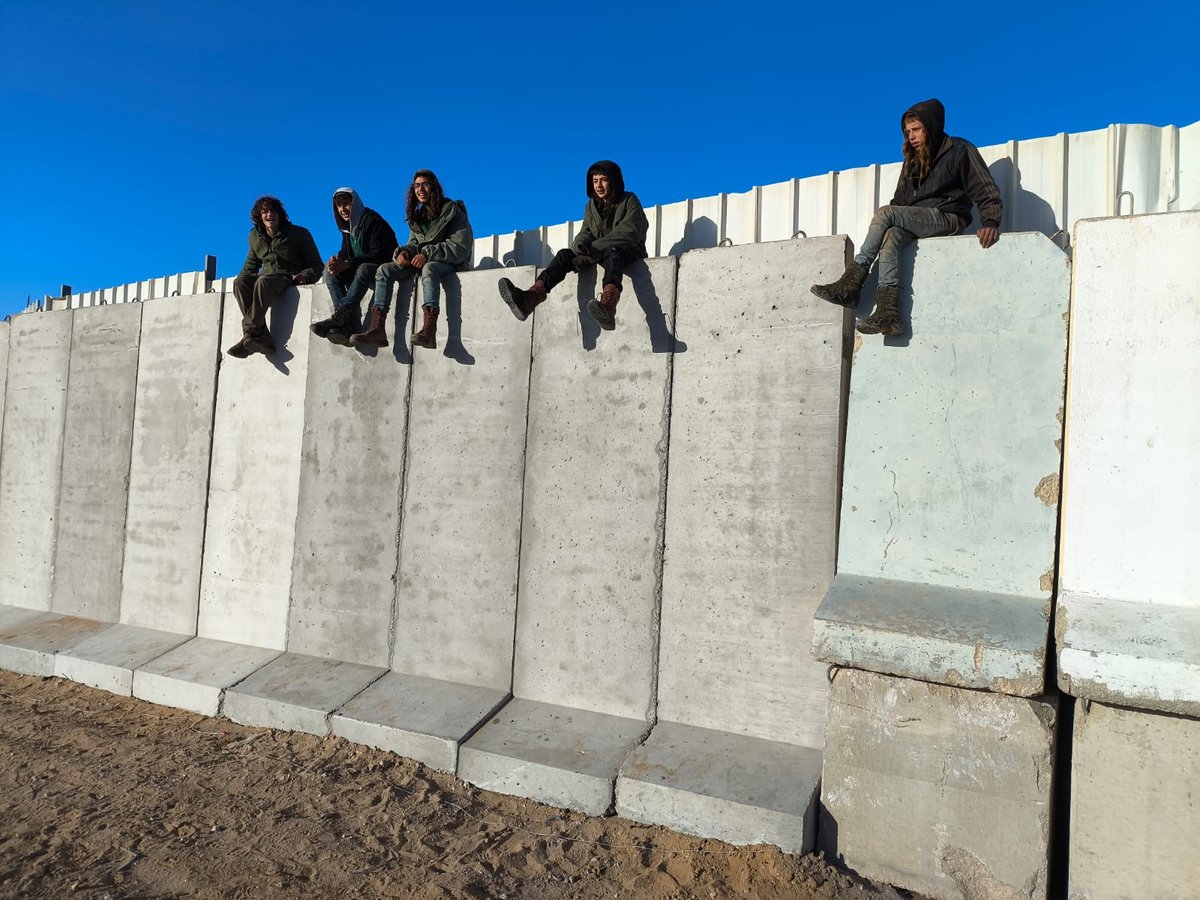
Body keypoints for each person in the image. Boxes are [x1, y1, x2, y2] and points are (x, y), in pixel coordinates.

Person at [810, 99, 1002, 336]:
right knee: (891, 235)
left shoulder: (959, 149)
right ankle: (889, 312)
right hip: (918, 220)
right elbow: (899, 203)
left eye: (917, 129)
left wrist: (990, 222)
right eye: (908, 131)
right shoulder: (912, 161)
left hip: (948, 217)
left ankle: (852, 283)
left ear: (931, 126)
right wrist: (889, 220)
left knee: (886, 214)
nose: (911, 136)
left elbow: (985, 188)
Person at [497, 160, 648, 331]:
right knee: (564, 255)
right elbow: (586, 231)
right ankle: (530, 297)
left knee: (613, 252)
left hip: (628, 252)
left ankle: (608, 305)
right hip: (598, 253)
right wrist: (580, 246)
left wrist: (593, 250)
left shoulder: (630, 201)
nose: (599, 185)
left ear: (614, 181)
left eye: (603, 180)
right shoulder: (591, 206)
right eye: (595, 181)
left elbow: (630, 232)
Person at [353, 170, 473, 349]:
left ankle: (429, 330)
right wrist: (403, 253)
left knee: (429, 268)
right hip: (421, 263)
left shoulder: (453, 212)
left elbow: (460, 247)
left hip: (449, 264)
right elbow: (413, 243)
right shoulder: (418, 218)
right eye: (416, 186)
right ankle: (377, 329)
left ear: (435, 188)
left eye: (425, 184)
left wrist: (427, 254)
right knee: (384, 269)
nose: (420, 189)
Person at [230, 196, 323, 357]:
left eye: (273, 211)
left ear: (280, 214)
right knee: (240, 282)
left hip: (287, 277)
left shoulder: (298, 234)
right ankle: (262, 336)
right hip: (266, 278)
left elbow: (316, 265)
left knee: (263, 281)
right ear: (259, 216)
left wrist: (304, 276)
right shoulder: (254, 236)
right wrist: (241, 283)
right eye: (264, 212)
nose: (269, 215)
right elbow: (251, 264)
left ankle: (250, 332)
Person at [312, 188, 398, 345]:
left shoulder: (372, 220)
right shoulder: (348, 228)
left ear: (355, 204)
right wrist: (337, 262)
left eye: (346, 204)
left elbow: (379, 254)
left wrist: (348, 263)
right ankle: (344, 323)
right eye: (339, 206)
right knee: (330, 273)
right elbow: (346, 252)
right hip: (359, 267)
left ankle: (341, 315)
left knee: (364, 268)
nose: (342, 209)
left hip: (381, 266)